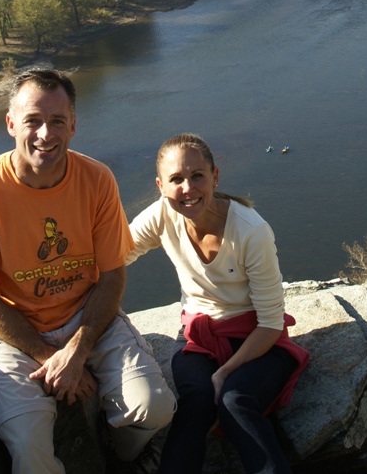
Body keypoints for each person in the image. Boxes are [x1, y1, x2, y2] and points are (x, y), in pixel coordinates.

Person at [0, 68, 176, 474]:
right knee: (29, 449)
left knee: (154, 407)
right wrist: (52, 357)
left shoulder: (96, 180)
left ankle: (123, 454)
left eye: (57, 121)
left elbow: (111, 275)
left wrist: (79, 349)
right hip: (15, 333)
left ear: (73, 126)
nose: (45, 134)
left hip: (88, 316)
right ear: (11, 123)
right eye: (32, 120)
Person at [126, 133, 309, 474]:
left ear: (215, 176)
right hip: (198, 337)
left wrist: (225, 373)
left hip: (258, 340)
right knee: (195, 404)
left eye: (197, 176)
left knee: (235, 401)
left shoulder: (251, 231)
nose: (187, 188)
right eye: (176, 179)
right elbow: (117, 254)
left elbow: (270, 323)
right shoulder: (162, 216)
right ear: (160, 186)